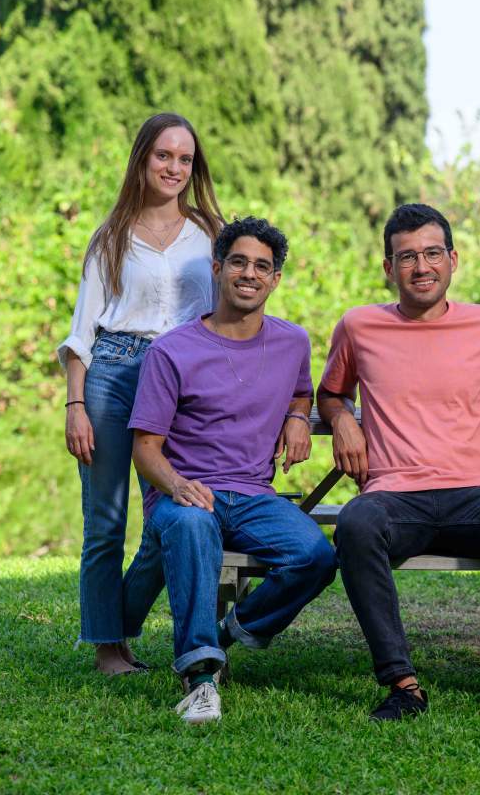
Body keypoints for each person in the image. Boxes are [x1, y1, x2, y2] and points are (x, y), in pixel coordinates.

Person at [321, 203, 480, 726]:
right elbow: (331, 392)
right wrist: (341, 419)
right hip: (394, 499)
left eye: (431, 254)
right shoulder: (359, 326)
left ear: (452, 260)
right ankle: (402, 685)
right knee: (355, 523)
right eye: (407, 257)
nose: (421, 267)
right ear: (388, 268)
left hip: (476, 496)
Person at [129, 216, 337, 724]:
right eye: (239, 262)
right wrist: (177, 485)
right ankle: (200, 679)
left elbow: (301, 390)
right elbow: (145, 449)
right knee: (196, 524)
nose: (250, 273)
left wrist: (295, 418)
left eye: (262, 266)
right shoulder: (171, 351)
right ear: (218, 269)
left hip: (252, 494)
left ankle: (225, 636)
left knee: (316, 556)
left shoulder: (292, 342)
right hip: (184, 495)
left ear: (275, 279)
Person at [57, 112, 223, 674]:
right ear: (142, 159)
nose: (175, 167)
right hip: (114, 371)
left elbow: (232, 314)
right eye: (164, 156)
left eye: (185, 159)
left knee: (175, 508)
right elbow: (83, 330)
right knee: (105, 521)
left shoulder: (210, 234)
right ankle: (108, 649)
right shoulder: (110, 236)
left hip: (184, 379)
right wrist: (75, 404)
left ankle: (119, 625)